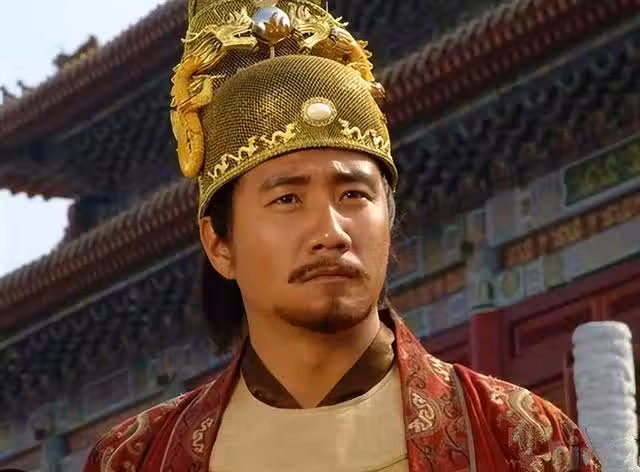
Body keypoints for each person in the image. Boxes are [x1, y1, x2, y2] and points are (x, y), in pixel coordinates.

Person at [84, 0, 601, 470]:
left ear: (389, 220)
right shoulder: (137, 458)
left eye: (353, 195)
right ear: (220, 244)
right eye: (287, 199)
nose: (330, 232)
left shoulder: (522, 439)